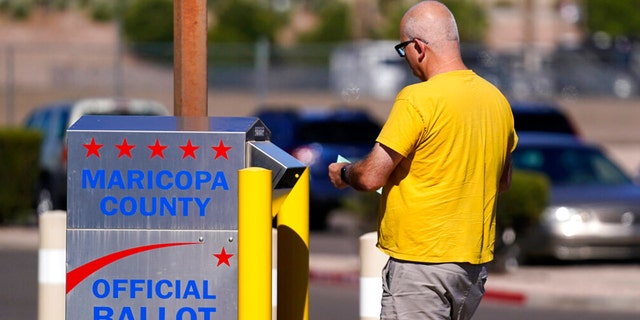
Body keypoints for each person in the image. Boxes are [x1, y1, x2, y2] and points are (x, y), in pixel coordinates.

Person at [328, 1, 518, 319]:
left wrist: (345, 172)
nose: (407, 61)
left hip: (420, 266)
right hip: (471, 268)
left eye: (403, 50)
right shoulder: (496, 100)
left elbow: (372, 176)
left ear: (418, 47)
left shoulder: (417, 99)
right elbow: (503, 181)